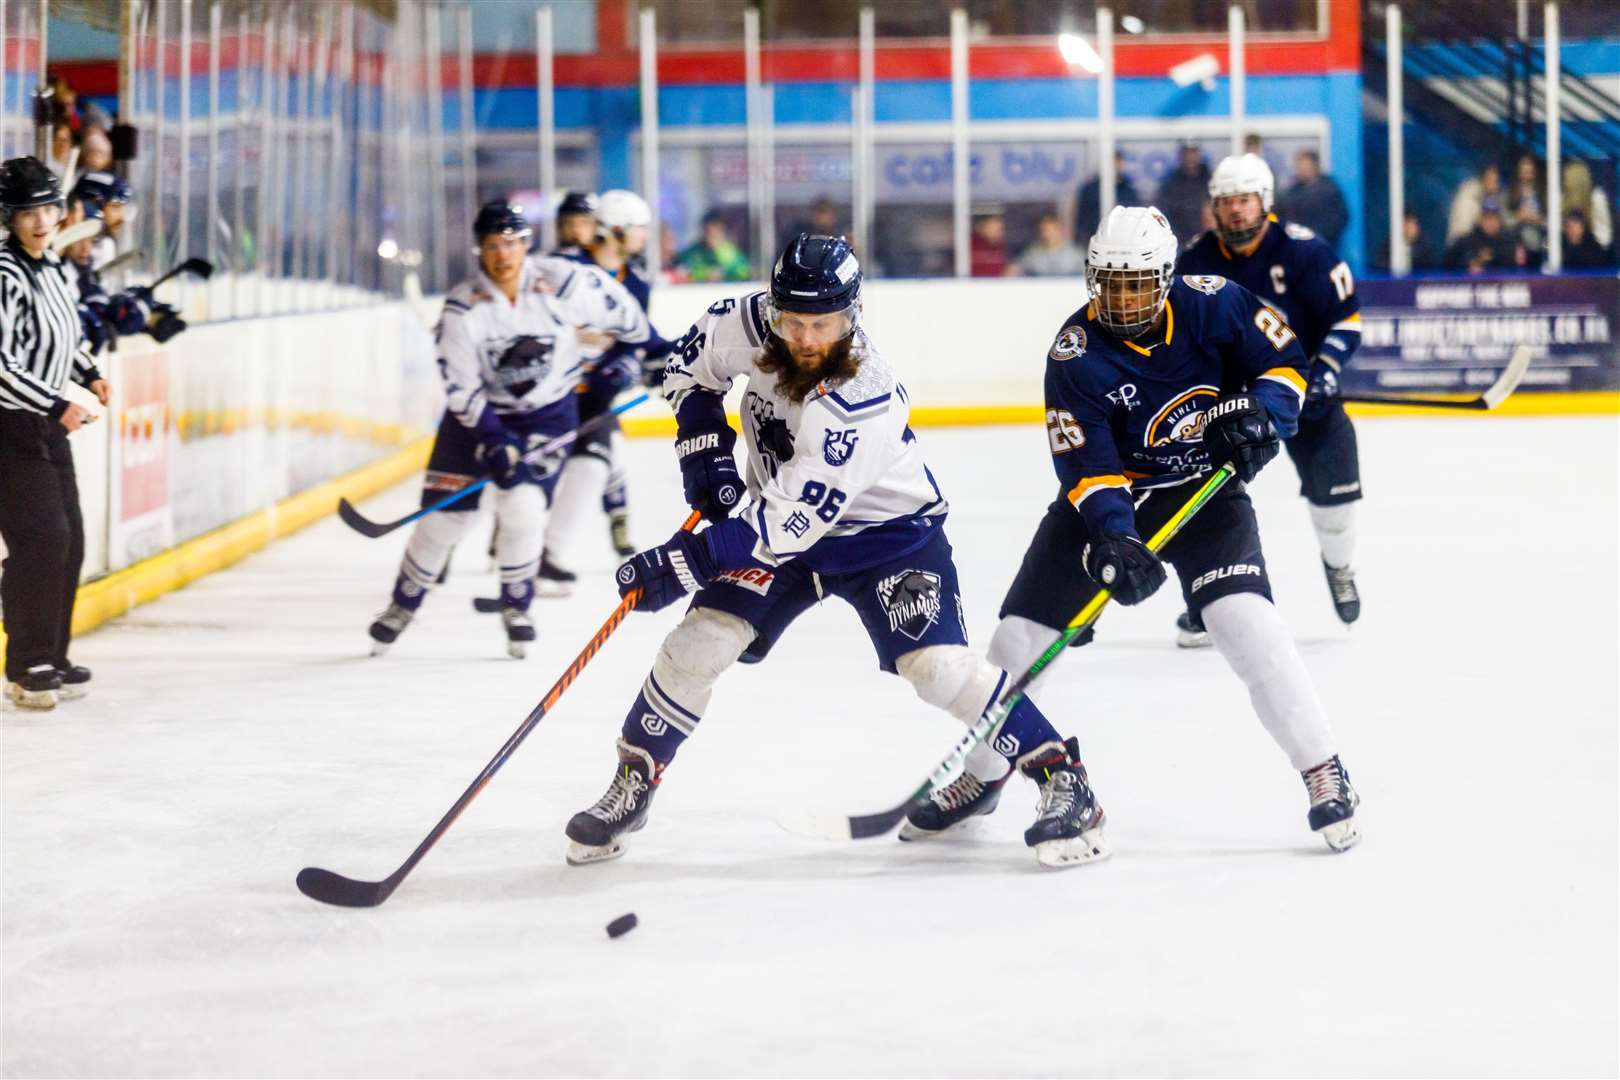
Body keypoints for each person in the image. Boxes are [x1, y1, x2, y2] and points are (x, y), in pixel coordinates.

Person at [563, 235, 1108, 869]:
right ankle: (635, 779)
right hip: (785, 527)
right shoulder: (747, 323)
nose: (806, 338)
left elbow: (781, 527)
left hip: (885, 538)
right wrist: (704, 444)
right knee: (699, 641)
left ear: (851, 316)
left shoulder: (861, 399)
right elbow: (688, 369)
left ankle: (1061, 777)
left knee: (937, 669)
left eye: (823, 323)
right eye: (792, 320)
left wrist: (680, 563)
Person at [909, 205, 1360, 855]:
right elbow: (1089, 469)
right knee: (1016, 642)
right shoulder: (1076, 353)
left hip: (1205, 497)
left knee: (1248, 627)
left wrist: (1264, 416)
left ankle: (1323, 768)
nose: (1122, 298)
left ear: (1169, 277)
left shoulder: (1216, 305)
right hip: (1109, 506)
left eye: (1138, 283)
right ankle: (984, 776)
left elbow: (1285, 361)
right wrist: (1114, 539)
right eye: (1111, 282)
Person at [366, 201, 654, 659]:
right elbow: (460, 391)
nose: (504, 255)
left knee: (522, 509)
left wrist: (650, 348)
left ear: (526, 245)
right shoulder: (463, 309)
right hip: (475, 422)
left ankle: (517, 606)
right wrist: (495, 441)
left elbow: (622, 313)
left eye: (512, 244)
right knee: (444, 521)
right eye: (493, 246)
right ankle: (403, 604)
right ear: (480, 250)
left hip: (547, 416)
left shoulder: (560, 281)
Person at [1179, 153, 1365, 640]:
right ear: (1214, 209)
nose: (1236, 211)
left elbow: (1345, 320)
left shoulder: (1307, 253)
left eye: (1245, 200)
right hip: (1231, 404)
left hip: (1306, 396)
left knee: (1336, 501)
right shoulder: (1195, 262)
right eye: (1226, 202)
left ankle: (1339, 565)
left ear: (1265, 201)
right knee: (1200, 497)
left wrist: (1323, 371)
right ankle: (1206, 597)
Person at [0, 157, 111, 710]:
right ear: (8, 218)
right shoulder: (4, 272)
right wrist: (56, 400)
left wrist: (88, 373)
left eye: (48, 207)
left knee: (70, 543)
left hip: (46, 421)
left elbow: (65, 337)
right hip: (9, 426)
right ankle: (27, 664)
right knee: (42, 541)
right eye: (27, 212)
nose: (42, 220)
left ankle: (54, 653)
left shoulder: (53, 268)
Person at [538, 188, 669, 595]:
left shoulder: (639, 283)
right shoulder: (565, 269)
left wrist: (637, 364)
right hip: (549, 391)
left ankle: (547, 557)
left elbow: (636, 338)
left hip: (593, 392)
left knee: (593, 464)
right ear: (614, 231)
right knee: (529, 475)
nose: (644, 237)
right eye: (638, 229)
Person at [1276, 150, 1349, 251]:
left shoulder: (1329, 189)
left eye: (1305, 167)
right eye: (1298, 167)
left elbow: (1341, 217)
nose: (1300, 171)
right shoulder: (1292, 192)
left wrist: (1323, 236)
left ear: (1315, 166)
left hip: (1324, 246)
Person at [1073, 150, 1142, 247]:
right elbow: (1082, 220)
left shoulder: (1129, 190)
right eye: (1111, 162)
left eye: (1117, 162)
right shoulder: (1090, 190)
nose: (1114, 166)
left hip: (1124, 245)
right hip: (1095, 243)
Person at [1154, 142, 1211, 245]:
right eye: (1187, 153)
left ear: (1199, 154)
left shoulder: (1211, 180)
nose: (1190, 157)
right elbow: (1162, 214)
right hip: (1178, 242)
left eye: (1193, 152)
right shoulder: (1170, 183)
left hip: (1209, 241)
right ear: (1181, 155)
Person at [1444, 198, 1519, 273]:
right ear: (1479, 220)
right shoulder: (1466, 240)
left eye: (1494, 218)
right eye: (1486, 218)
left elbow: (1512, 267)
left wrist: (1492, 258)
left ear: (1500, 221)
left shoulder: (1508, 240)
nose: (1490, 223)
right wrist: (1469, 263)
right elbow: (1448, 262)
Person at [674, 210, 751, 282]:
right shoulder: (692, 252)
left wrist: (724, 274)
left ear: (722, 233)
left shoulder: (731, 254)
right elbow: (680, 269)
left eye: (715, 233)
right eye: (708, 232)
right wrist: (705, 275)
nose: (711, 237)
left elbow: (744, 273)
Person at [1446, 162, 1502, 246]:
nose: (1497, 186)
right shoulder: (1469, 197)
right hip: (1461, 247)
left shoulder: (1478, 195)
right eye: (1494, 182)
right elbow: (1463, 231)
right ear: (1485, 179)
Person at [1015, 212, 1087, 276]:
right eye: (1044, 230)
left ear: (1060, 230)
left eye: (1051, 230)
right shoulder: (1031, 254)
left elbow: (1089, 276)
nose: (1047, 234)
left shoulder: (1075, 253)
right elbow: (1015, 272)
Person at [969, 208, 1009, 277]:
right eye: (995, 228)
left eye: (1001, 229)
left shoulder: (1001, 245)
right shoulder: (970, 245)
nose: (999, 233)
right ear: (981, 227)